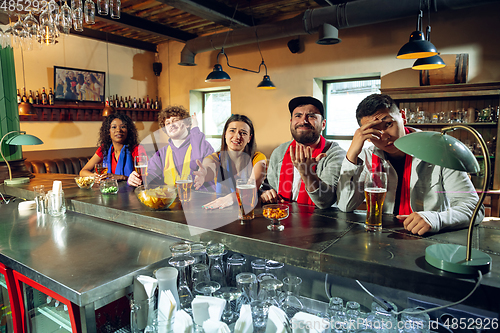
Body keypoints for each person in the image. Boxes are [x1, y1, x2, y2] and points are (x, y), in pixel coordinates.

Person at [336, 93, 483, 235]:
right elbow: (345, 206)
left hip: (429, 239)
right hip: (382, 237)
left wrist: (436, 219)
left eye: (388, 124)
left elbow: (474, 209)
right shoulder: (366, 156)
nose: (384, 136)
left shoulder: (440, 150)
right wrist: (351, 153)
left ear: (403, 117)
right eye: (374, 131)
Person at [260, 96, 346, 209]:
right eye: (298, 116)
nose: (303, 121)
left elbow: (326, 201)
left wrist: (307, 173)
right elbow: (268, 186)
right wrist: (265, 193)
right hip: (284, 220)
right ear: (291, 122)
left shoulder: (335, 154)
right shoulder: (280, 152)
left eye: (311, 116)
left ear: (323, 124)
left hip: (322, 223)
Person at [128, 105, 214, 187]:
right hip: (172, 200)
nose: (171, 125)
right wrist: (135, 179)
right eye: (167, 123)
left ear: (187, 124)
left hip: (202, 199)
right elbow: (150, 177)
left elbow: (200, 164)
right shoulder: (161, 154)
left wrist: (195, 130)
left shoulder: (204, 145)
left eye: (175, 121)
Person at [193, 114, 267, 209]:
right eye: (232, 131)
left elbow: (251, 187)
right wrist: (204, 173)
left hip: (249, 210)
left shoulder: (258, 158)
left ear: (249, 138)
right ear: (225, 134)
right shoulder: (215, 157)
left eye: (243, 133)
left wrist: (232, 198)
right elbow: (209, 167)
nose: (237, 136)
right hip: (221, 209)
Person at [81, 113, 145, 182]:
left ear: (128, 131)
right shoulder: (104, 148)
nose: (118, 130)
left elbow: (144, 178)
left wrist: (122, 177)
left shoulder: (137, 149)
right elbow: (83, 172)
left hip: (131, 191)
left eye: (123, 127)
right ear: (108, 131)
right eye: (114, 127)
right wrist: (95, 177)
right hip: (109, 190)